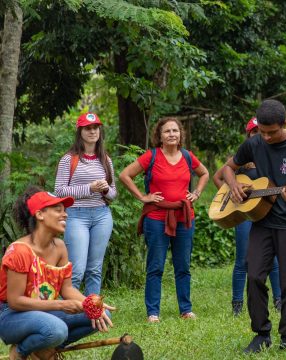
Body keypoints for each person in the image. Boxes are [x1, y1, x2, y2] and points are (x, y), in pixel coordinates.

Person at [221, 100, 286, 353]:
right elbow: (228, 168)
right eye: (262, 131)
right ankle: (261, 334)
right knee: (254, 275)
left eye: (271, 131)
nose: (266, 136)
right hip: (262, 221)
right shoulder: (254, 143)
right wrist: (234, 185)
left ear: (285, 124)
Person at [0, 187, 113, 360]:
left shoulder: (59, 247)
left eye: (65, 210)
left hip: (44, 312)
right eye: (57, 210)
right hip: (10, 315)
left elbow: (66, 289)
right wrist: (61, 305)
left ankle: (42, 349)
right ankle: (20, 352)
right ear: (40, 215)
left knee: (99, 316)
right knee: (56, 329)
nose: (65, 214)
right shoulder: (19, 251)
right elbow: (15, 302)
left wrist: (91, 304)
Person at [119, 117, 209, 323]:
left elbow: (204, 173)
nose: (171, 134)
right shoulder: (151, 156)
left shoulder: (187, 156)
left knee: (183, 266)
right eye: (167, 131)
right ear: (159, 136)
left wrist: (197, 192)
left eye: (175, 131)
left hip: (184, 217)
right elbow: (125, 175)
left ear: (180, 135)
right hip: (156, 218)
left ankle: (185, 309)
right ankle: (153, 312)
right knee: (156, 266)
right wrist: (143, 197)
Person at [212, 118, 282, 315]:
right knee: (242, 259)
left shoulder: (273, 156)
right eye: (254, 132)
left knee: (273, 258)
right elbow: (218, 177)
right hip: (244, 215)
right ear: (249, 134)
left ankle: (279, 301)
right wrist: (232, 197)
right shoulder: (242, 157)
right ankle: (237, 305)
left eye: (261, 131)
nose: (258, 135)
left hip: (266, 213)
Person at [54, 112, 116, 296]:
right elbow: (60, 191)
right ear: (80, 131)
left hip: (102, 215)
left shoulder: (105, 159)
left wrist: (104, 190)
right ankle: (67, 312)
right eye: (88, 128)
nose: (92, 131)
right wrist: (89, 188)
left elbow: (113, 194)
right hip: (76, 216)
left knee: (95, 270)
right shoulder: (69, 159)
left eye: (95, 127)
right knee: (77, 271)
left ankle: (92, 314)